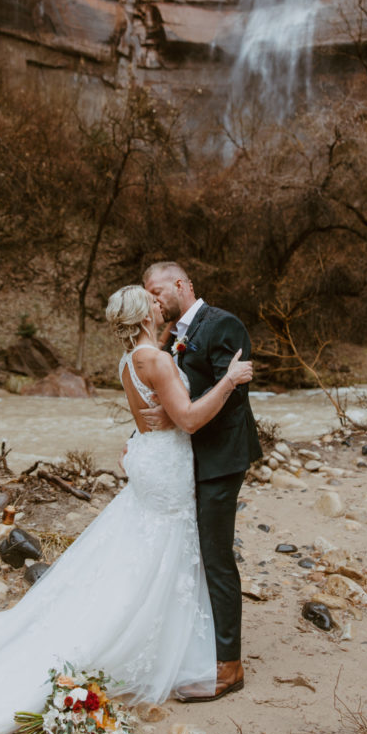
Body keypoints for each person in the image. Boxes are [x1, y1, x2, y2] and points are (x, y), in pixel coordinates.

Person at [0, 285, 253, 734]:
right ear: (145, 316)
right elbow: (186, 419)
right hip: (165, 466)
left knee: (139, 550)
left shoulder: (131, 361)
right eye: (153, 301)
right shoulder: (158, 360)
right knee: (161, 548)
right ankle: (149, 640)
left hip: (149, 459)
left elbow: (158, 411)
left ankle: (159, 631)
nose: (159, 303)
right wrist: (228, 380)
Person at [143, 262, 262, 703]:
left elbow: (234, 398)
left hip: (221, 459)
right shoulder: (173, 337)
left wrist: (181, 419)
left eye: (157, 293)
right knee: (194, 550)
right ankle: (203, 643)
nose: (154, 302)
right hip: (189, 458)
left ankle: (229, 666)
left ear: (181, 284)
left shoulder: (223, 324)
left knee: (215, 556)